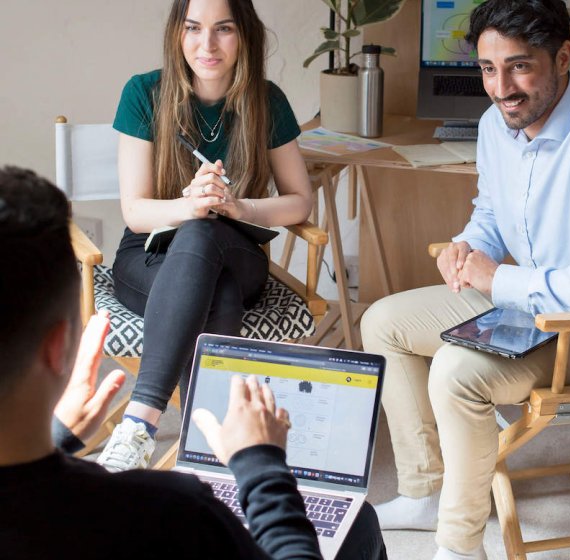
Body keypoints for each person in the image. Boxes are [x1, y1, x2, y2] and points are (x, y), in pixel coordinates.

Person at [360, 1, 570, 559]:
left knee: (458, 370)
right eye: (489, 70)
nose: (501, 88)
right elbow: (493, 212)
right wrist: (470, 246)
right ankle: (426, 490)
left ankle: (461, 545)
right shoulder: (499, 123)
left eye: (520, 67)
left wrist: (502, 280)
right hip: (544, 306)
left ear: (564, 57)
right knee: (384, 322)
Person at [0, 165, 386, 559]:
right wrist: (262, 467)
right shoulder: (172, 514)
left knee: (215, 272)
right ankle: (190, 435)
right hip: (168, 255)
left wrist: (58, 443)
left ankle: (141, 421)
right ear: (61, 346)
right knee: (361, 521)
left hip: (215, 247)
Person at [97, 0, 315, 471]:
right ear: (178, 33)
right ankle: (208, 448)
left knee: (205, 235)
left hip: (236, 246)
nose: (207, 44)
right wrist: (191, 206)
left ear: (245, 37)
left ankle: (140, 422)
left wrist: (237, 207)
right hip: (151, 252)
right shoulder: (144, 93)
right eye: (193, 28)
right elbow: (136, 213)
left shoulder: (267, 99)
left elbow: (300, 199)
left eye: (224, 30)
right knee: (216, 285)